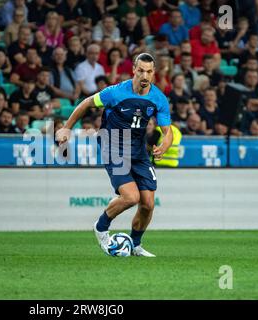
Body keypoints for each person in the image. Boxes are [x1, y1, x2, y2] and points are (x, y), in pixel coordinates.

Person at [56, 53, 173, 257]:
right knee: (131, 197)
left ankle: (135, 245)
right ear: (134, 70)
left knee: (148, 204)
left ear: (154, 73)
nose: (145, 75)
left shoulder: (158, 98)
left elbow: (167, 131)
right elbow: (86, 104)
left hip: (138, 152)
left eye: (149, 71)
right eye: (141, 70)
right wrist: (66, 128)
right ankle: (101, 226)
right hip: (113, 147)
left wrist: (163, 146)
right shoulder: (116, 92)